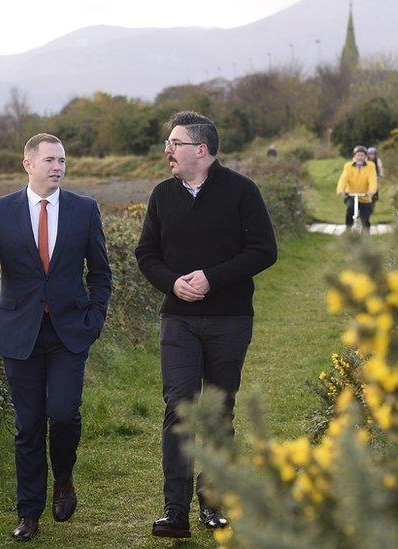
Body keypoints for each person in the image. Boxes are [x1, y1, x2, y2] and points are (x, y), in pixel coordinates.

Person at [0, 133, 112, 542]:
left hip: (69, 333)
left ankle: (64, 479)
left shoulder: (84, 209)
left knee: (63, 414)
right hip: (19, 333)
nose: (57, 167)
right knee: (28, 426)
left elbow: (100, 273)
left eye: (62, 160)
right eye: (49, 160)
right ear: (28, 164)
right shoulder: (0, 209)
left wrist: (94, 319)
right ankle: (28, 513)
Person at [135, 111, 278, 539]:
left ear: (201, 149)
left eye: (174, 143)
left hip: (230, 320)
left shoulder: (242, 191)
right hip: (177, 320)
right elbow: (146, 254)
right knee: (179, 408)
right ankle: (174, 511)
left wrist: (211, 277)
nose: (167, 151)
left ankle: (213, 507)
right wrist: (173, 283)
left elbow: (263, 250)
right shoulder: (161, 195)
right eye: (168, 143)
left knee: (217, 412)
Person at [336, 145, 378, 231]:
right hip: (350, 195)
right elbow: (343, 178)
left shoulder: (371, 166)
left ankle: (366, 235)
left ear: (366, 157)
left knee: (365, 218)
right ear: (354, 156)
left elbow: (372, 179)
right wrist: (341, 190)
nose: (360, 157)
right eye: (358, 155)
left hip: (365, 196)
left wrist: (371, 190)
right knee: (351, 209)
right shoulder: (348, 166)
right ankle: (348, 229)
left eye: (362, 155)